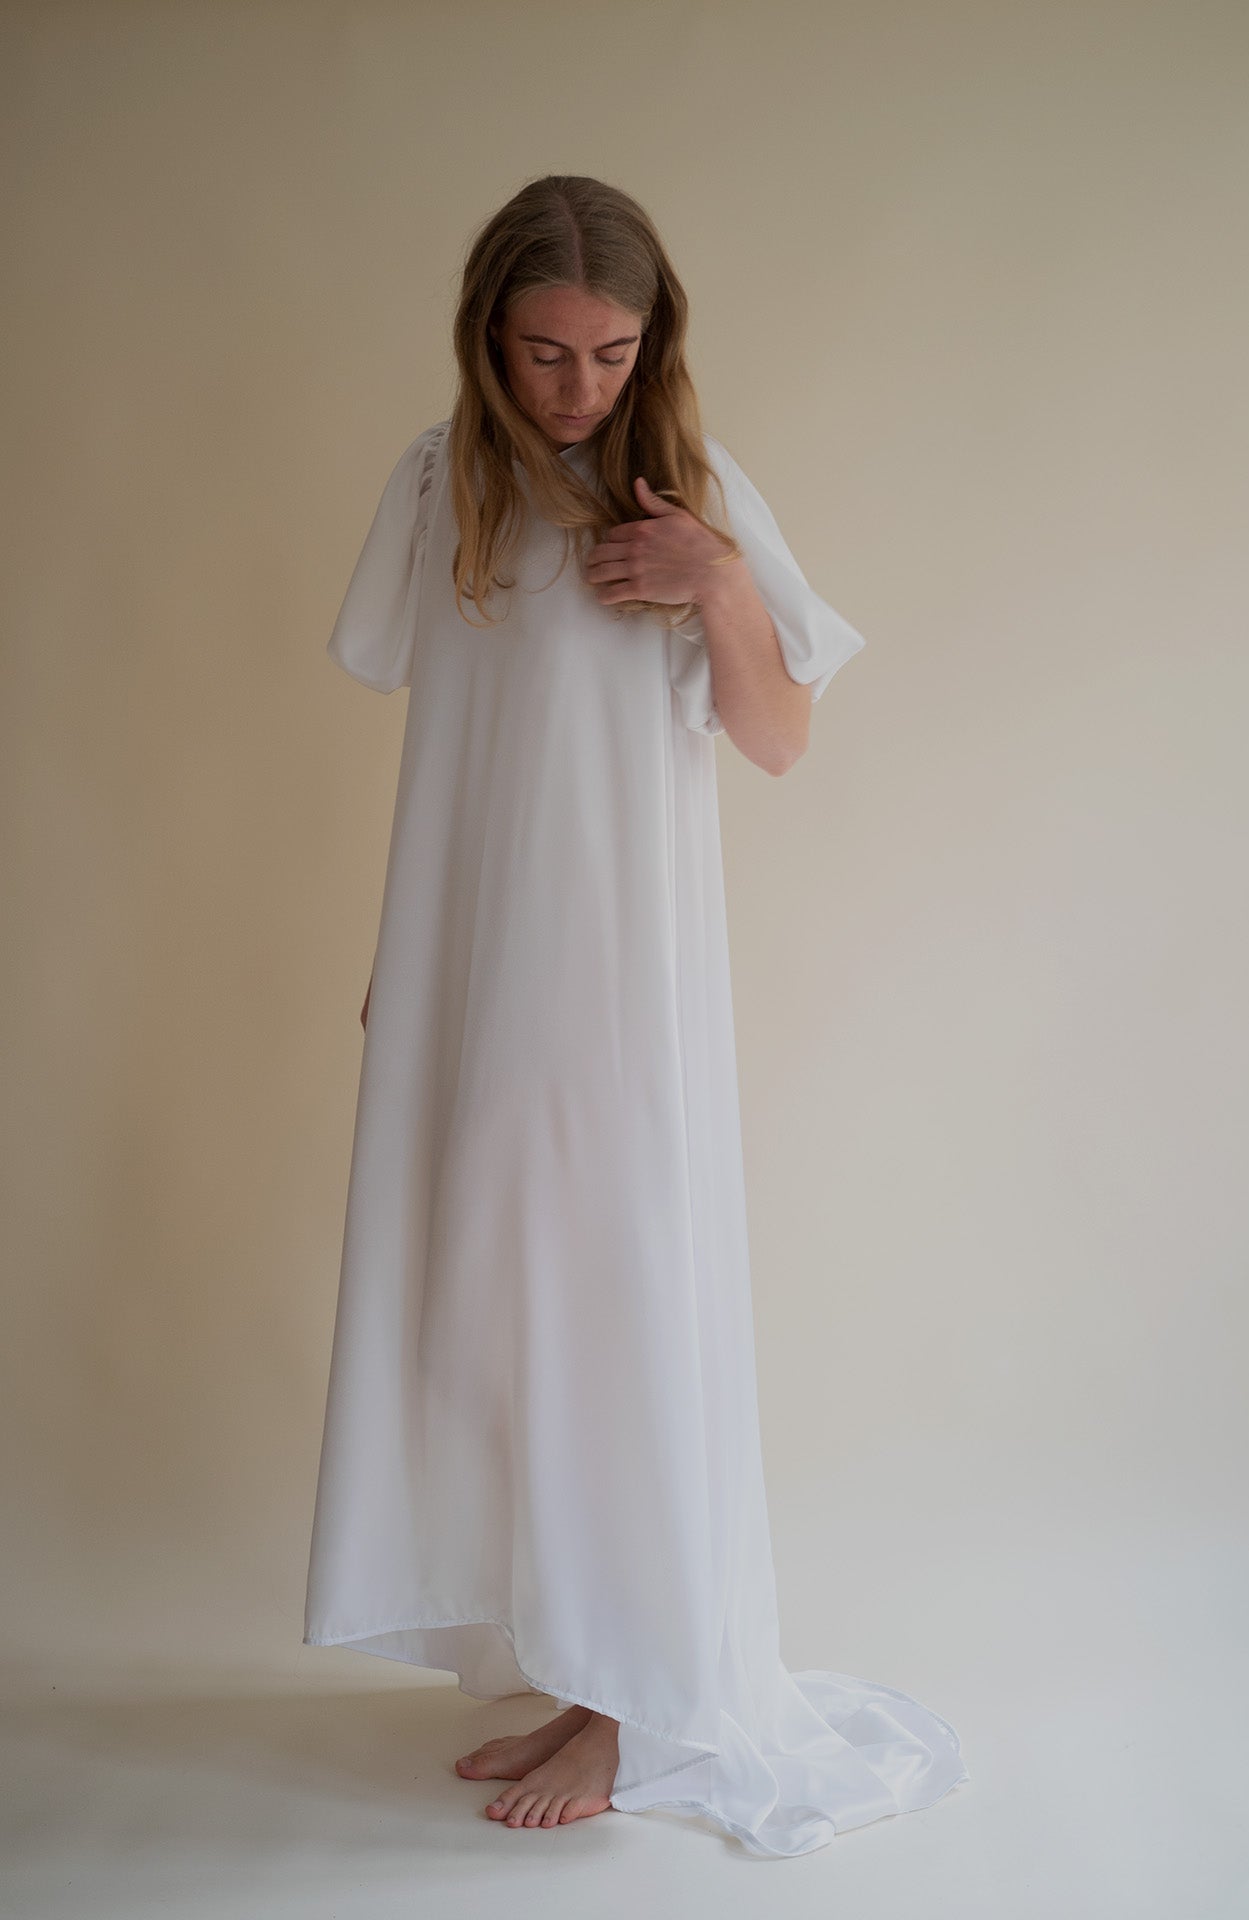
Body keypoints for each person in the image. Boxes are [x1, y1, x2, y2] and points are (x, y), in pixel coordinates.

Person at [303, 174, 967, 1856]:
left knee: (612, 1305)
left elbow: (780, 739)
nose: (578, 387)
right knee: (490, 1311)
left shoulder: (692, 494)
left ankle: (637, 1699)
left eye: (610, 352)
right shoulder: (438, 485)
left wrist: (715, 582)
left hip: (615, 978)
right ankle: (579, 1657)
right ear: (486, 339)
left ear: (653, 343)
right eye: (544, 352)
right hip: (472, 963)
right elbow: (457, 747)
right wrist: (410, 960)